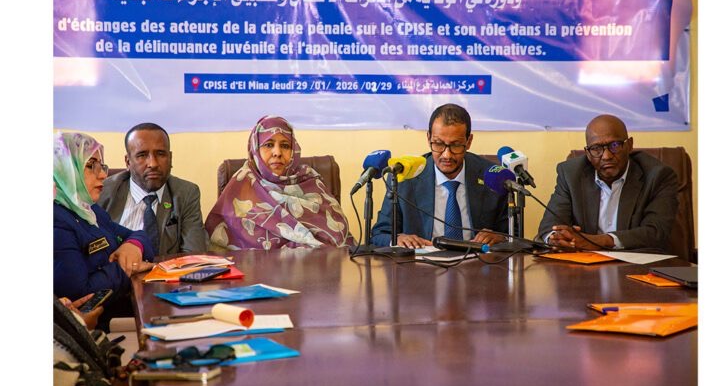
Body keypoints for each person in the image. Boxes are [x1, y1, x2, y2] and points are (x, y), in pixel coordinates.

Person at [53, 132, 155, 330]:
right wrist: (127, 267)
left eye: (102, 166)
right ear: (65, 168)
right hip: (97, 329)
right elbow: (82, 294)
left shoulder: (89, 210)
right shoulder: (55, 220)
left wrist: (133, 245)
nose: (102, 175)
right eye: (91, 166)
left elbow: (139, 235)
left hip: (121, 313)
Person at [205, 115, 354, 250]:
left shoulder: (310, 180)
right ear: (255, 149)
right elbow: (220, 241)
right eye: (269, 145)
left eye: (285, 146)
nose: (277, 152)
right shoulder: (241, 183)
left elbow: (338, 235)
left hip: (314, 267)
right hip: (253, 269)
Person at [371, 103, 508, 248]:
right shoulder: (404, 176)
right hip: (420, 260)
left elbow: (514, 235)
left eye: (456, 145)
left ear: (468, 142)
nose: (446, 155)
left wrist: (501, 238)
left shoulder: (493, 177)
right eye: (438, 144)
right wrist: (397, 239)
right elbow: (379, 234)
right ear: (428, 138)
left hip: (477, 259)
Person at [537, 114, 679, 251]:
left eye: (615, 145)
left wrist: (597, 241)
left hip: (638, 262)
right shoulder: (571, 174)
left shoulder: (658, 176)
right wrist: (557, 238)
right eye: (596, 149)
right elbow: (550, 225)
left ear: (629, 145)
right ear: (588, 153)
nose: (606, 156)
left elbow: (656, 232)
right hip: (584, 263)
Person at [98, 123, 208, 255]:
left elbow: (194, 255)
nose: (153, 164)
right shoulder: (103, 191)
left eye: (160, 154)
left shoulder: (186, 193)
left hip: (166, 268)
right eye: (142, 155)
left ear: (170, 158)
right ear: (128, 162)